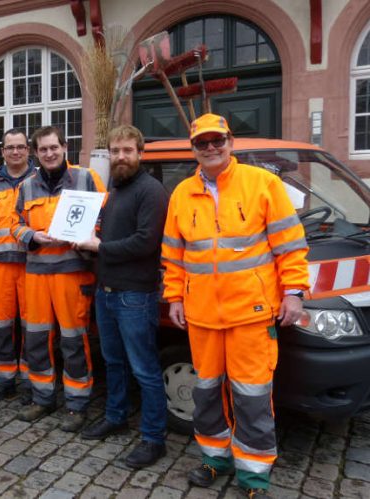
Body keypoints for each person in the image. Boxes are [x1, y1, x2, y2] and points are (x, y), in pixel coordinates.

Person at [162, 114, 309, 498]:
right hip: (201, 316)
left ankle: (254, 476)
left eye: (217, 140)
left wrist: (293, 292)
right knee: (206, 394)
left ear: (231, 141)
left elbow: (290, 244)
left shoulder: (263, 184)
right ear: (193, 148)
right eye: (202, 143)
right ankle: (215, 459)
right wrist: (174, 296)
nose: (211, 148)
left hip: (252, 314)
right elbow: (173, 256)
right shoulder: (181, 194)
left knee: (252, 397)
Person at [76, 125, 169, 467]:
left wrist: (100, 247)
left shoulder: (151, 191)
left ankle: (154, 438)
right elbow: (108, 236)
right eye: (115, 151)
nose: (120, 157)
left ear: (140, 153)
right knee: (113, 363)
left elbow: (146, 242)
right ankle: (116, 417)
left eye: (127, 151)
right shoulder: (115, 189)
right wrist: (87, 243)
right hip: (107, 292)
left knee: (144, 369)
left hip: (135, 295)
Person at [12, 125, 106, 432]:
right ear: (36, 153)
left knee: (73, 340)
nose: (49, 153)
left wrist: (91, 236)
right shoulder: (26, 186)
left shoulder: (85, 178)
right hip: (37, 274)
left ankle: (77, 405)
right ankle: (42, 398)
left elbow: (106, 215)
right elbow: (14, 224)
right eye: (43, 149)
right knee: (37, 339)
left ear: (65, 147)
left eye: (54, 147)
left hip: (72, 273)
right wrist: (32, 235)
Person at [0, 128, 36, 403]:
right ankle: (4, 379)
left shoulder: (39, 181)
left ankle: (30, 381)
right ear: (2, 151)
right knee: (1, 326)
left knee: (31, 327)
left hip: (31, 266)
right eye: (10, 147)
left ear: (28, 150)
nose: (15, 151)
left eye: (20, 147)